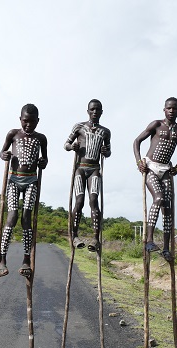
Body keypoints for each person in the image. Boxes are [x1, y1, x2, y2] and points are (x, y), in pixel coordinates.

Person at [133, 97, 177, 261]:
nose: (172, 111)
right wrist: (139, 161)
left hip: (166, 170)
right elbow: (136, 141)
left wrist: (176, 167)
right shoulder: (156, 125)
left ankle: (165, 248)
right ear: (164, 109)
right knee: (157, 198)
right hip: (151, 167)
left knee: (168, 208)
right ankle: (149, 241)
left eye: (175, 108)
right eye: (169, 108)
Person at [0, 104, 48, 279]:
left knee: (27, 218)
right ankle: (2, 259)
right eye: (25, 121)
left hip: (32, 180)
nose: (28, 125)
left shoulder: (41, 138)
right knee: (12, 216)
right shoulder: (13, 134)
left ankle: (26, 259)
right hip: (14, 180)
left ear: (38, 121)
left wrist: (43, 162)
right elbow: (2, 151)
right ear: (20, 119)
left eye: (32, 122)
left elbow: (45, 159)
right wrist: (4, 155)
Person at [64, 99, 111, 252]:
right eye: (92, 109)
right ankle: (75, 235)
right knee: (79, 201)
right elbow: (66, 144)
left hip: (94, 169)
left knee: (93, 200)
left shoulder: (105, 132)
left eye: (97, 110)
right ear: (88, 111)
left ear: (102, 112)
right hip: (80, 168)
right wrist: (73, 146)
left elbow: (109, 151)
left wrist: (106, 152)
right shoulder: (79, 127)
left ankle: (95, 238)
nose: (95, 112)